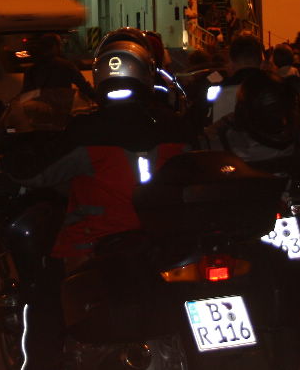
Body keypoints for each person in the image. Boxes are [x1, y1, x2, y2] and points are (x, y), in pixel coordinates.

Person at [11, 38, 194, 369]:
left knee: (42, 297)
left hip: (95, 242)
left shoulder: (87, 130)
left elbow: (36, 174)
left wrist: (9, 161)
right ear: (146, 74)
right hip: (168, 239)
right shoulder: (174, 125)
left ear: (100, 79)